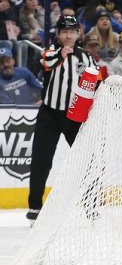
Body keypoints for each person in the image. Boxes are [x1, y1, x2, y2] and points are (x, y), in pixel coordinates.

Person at [27, 16, 98, 225]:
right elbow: (47, 62)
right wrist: (61, 54)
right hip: (49, 114)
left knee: (87, 159)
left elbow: (97, 81)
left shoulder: (87, 58)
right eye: (64, 31)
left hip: (75, 117)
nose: (68, 35)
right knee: (41, 160)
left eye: (72, 31)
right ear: (58, 34)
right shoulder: (50, 52)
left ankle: (91, 204)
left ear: (78, 34)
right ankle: (34, 207)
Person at [0, 40, 42, 105]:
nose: (5, 64)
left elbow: (39, 90)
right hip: (13, 113)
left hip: (34, 109)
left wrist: (41, 101)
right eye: (1, 62)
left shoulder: (24, 72)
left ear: (13, 61)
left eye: (7, 61)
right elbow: (9, 107)